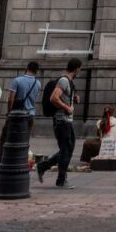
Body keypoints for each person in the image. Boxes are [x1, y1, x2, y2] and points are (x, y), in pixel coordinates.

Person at [0, 60, 40, 179]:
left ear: (26, 68)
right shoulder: (38, 83)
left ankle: (0, 167)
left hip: (16, 116)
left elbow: (11, 98)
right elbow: (33, 99)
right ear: (36, 71)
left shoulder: (17, 80)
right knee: (24, 142)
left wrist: (9, 112)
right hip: (30, 115)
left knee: (4, 140)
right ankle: (21, 166)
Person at [36, 58, 81, 188]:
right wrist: (67, 108)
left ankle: (43, 166)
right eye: (80, 69)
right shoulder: (63, 80)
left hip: (66, 121)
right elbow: (53, 98)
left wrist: (73, 99)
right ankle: (61, 180)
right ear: (77, 68)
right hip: (61, 120)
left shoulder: (69, 82)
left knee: (68, 149)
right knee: (66, 150)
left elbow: (62, 97)